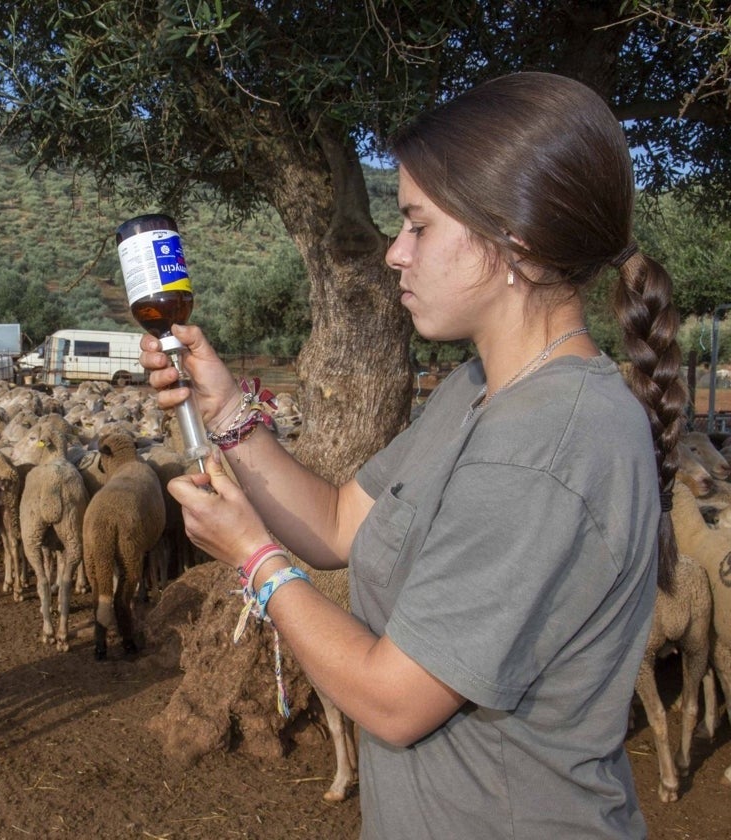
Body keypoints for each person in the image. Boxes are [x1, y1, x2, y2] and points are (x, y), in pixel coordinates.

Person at [140, 72, 686, 839]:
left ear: (513, 242)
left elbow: (394, 701)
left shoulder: (554, 444)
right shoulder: (477, 390)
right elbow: (335, 524)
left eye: (419, 226)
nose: (394, 253)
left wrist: (251, 557)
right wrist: (225, 408)